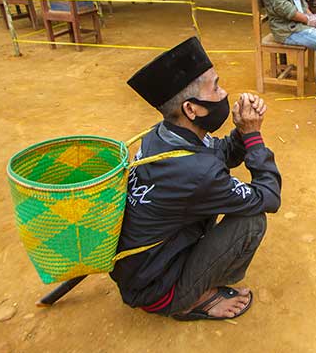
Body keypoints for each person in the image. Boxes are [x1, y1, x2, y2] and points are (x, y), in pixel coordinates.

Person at [111, 36, 282, 321]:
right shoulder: (196, 172)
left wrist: (240, 130)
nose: (224, 92)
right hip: (156, 291)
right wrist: (253, 136)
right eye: (215, 87)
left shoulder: (163, 135)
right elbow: (269, 197)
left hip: (139, 273)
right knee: (251, 221)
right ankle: (192, 300)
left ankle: (188, 283)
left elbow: (219, 153)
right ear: (191, 109)